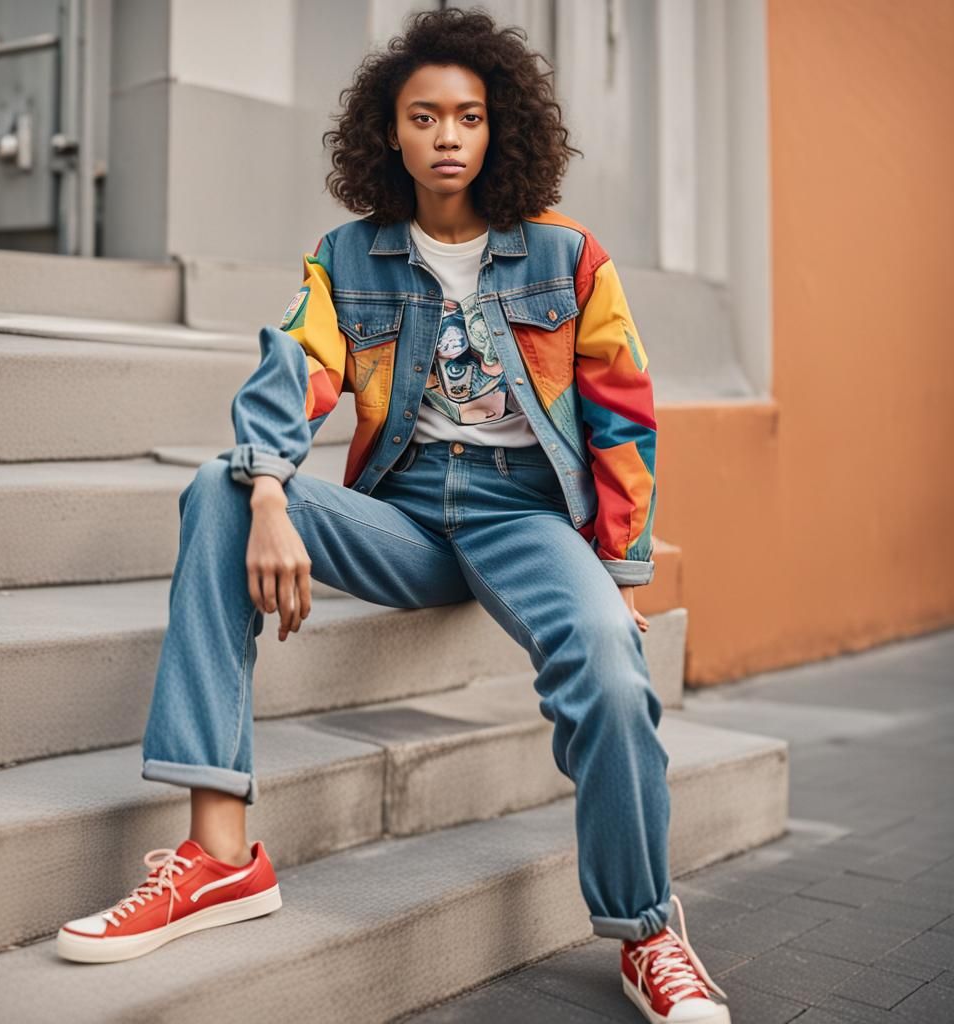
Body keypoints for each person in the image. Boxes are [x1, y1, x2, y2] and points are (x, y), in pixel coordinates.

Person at [55, 8, 730, 1021]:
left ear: (499, 130)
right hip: (405, 516)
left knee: (606, 662)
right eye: (425, 116)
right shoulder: (347, 257)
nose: (448, 135)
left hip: (523, 522)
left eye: (468, 115)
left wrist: (614, 572)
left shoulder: (568, 259)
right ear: (391, 132)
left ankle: (646, 932)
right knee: (215, 489)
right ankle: (221, 855)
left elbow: (622, 419)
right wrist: (271, 490)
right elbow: (296, 370)